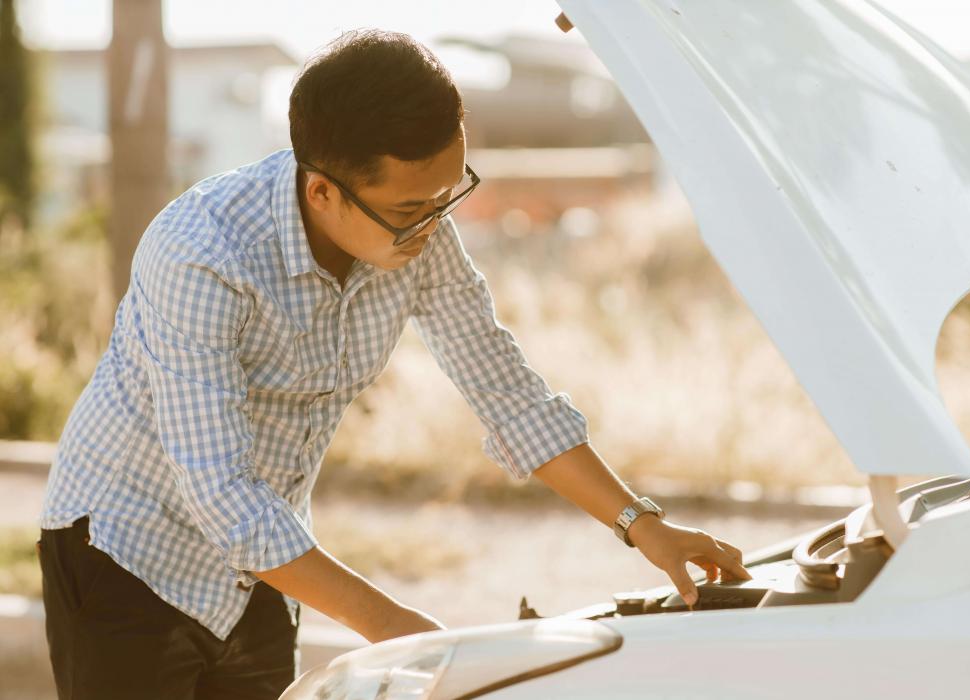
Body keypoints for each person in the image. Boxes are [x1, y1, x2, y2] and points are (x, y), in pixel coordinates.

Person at [36, 29, 750, 700]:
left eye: (449, 195)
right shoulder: (201, 253)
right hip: (125, 556)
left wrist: (642, 525)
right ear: (323, 192)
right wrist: (396, 629)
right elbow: (223, 495)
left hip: (264, 570)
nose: (436, 224)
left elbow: (510, 395)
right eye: (413, 207)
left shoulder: (418, 233)